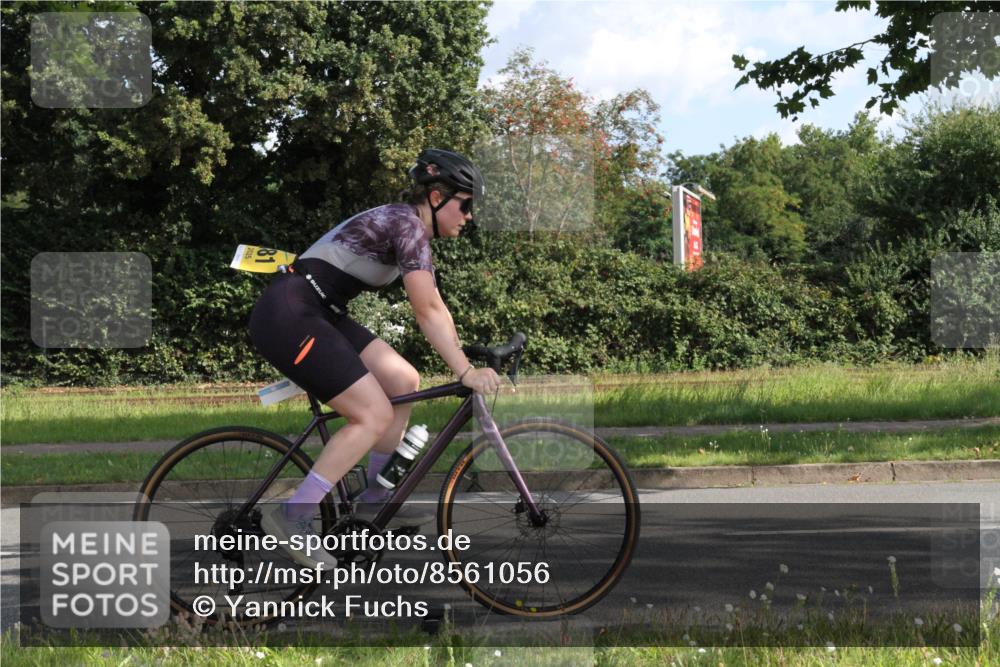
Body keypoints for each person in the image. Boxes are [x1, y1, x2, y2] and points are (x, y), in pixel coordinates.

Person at [249, 148, 501, 569]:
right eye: (466, 204)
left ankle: (371, 505)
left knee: (403, 381)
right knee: (372, 415)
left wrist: (465, 355)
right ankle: (293, 515)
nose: (469, 216)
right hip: (290, 312)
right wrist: (465, 370)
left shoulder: (409, 228)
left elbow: (436, 305)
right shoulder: (407, 225)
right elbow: (426, 312)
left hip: (319, 310)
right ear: (437, 197)